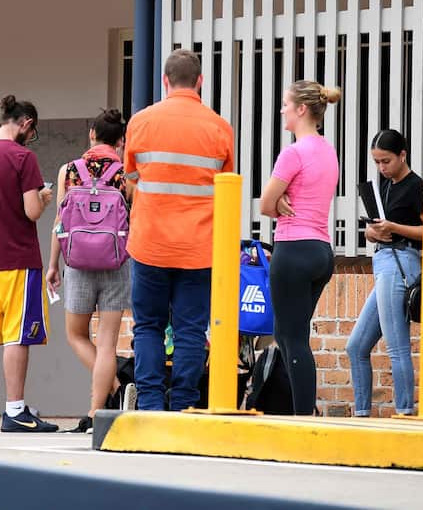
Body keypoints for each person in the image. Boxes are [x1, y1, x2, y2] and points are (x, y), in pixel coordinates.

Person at [123, 49, 234, 412]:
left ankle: (151, 403)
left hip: (150, 244)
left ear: (165, 81)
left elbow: (132, 179)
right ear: (200, 82)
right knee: (190, 330)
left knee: (148, 326)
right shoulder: (220, 128)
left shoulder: (140, 122)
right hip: (198, 247)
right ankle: (185, 403)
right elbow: (225, 187)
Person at [0, 95, 58, 433]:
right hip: (19, 260)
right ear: (27, 123)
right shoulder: (22, 157)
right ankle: (15, 410)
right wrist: (44, 198)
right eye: (33, 133)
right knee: (16, 336)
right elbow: (31, 211)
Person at [259, 79, 341, 416]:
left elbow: (264, 204)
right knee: (287, 331)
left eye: (285, 104)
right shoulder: (328, 150)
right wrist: (283, 200)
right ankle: (299, 408)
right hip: (321, 250)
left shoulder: (293, 153)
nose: (282, 110)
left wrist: (278, 203)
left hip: (293, 249)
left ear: (301, 109)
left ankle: (304, 417)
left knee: (293, 339)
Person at [46, 108, 131, 433]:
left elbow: (60, 223)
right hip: (116, 263)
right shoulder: (126, 174)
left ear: (92, 135)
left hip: (77, 264)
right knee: (108, 343)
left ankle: (113, 390)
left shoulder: (69, 171)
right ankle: (97, 411)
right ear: (121, 141)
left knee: (77, 335)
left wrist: (53, 264)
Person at [345, 129, 423, 417]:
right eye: (377, 162)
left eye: (386, 161)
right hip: (383, 262)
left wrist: (393, 228)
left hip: (402, 262)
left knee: (396, 346)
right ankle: (362, 412)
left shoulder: (417, 186)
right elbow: (377, 229)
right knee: (355, 347)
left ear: (403, 155)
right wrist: (374, 232)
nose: (382, 167)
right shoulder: (384, 185)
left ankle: (405, 411)